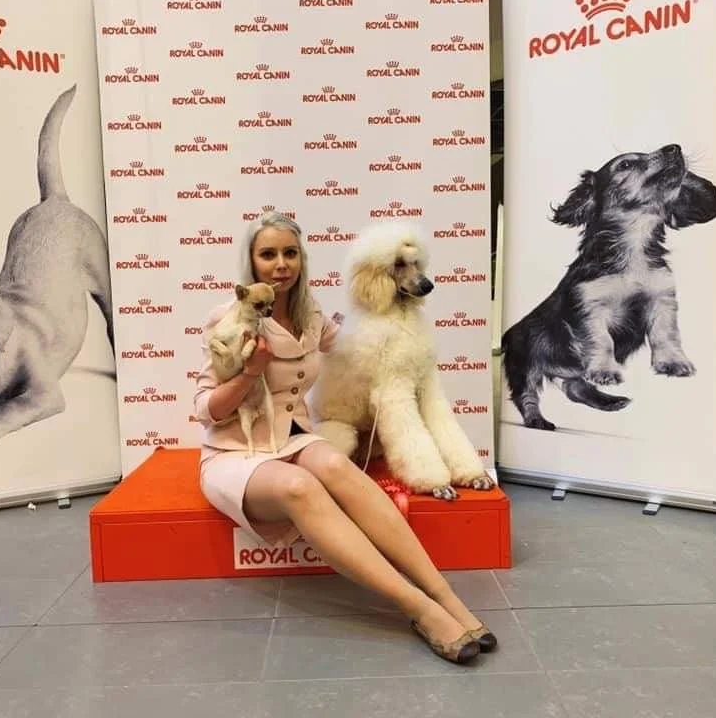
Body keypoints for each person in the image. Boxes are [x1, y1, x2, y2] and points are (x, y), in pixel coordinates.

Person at [193, 211, 497, 665]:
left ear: (302, 260)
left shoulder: (310, 313)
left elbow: (354, 345)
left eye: (290, 253)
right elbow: (205, 410)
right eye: (268, 254)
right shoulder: (229, 317)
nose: (281, 264)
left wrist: (394, 339)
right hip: (235, 453)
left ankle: (443, 594)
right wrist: (249, 374)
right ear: (251, 263)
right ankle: (419, 608)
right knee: (301, 487)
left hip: (291, 439)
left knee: (335, 464)